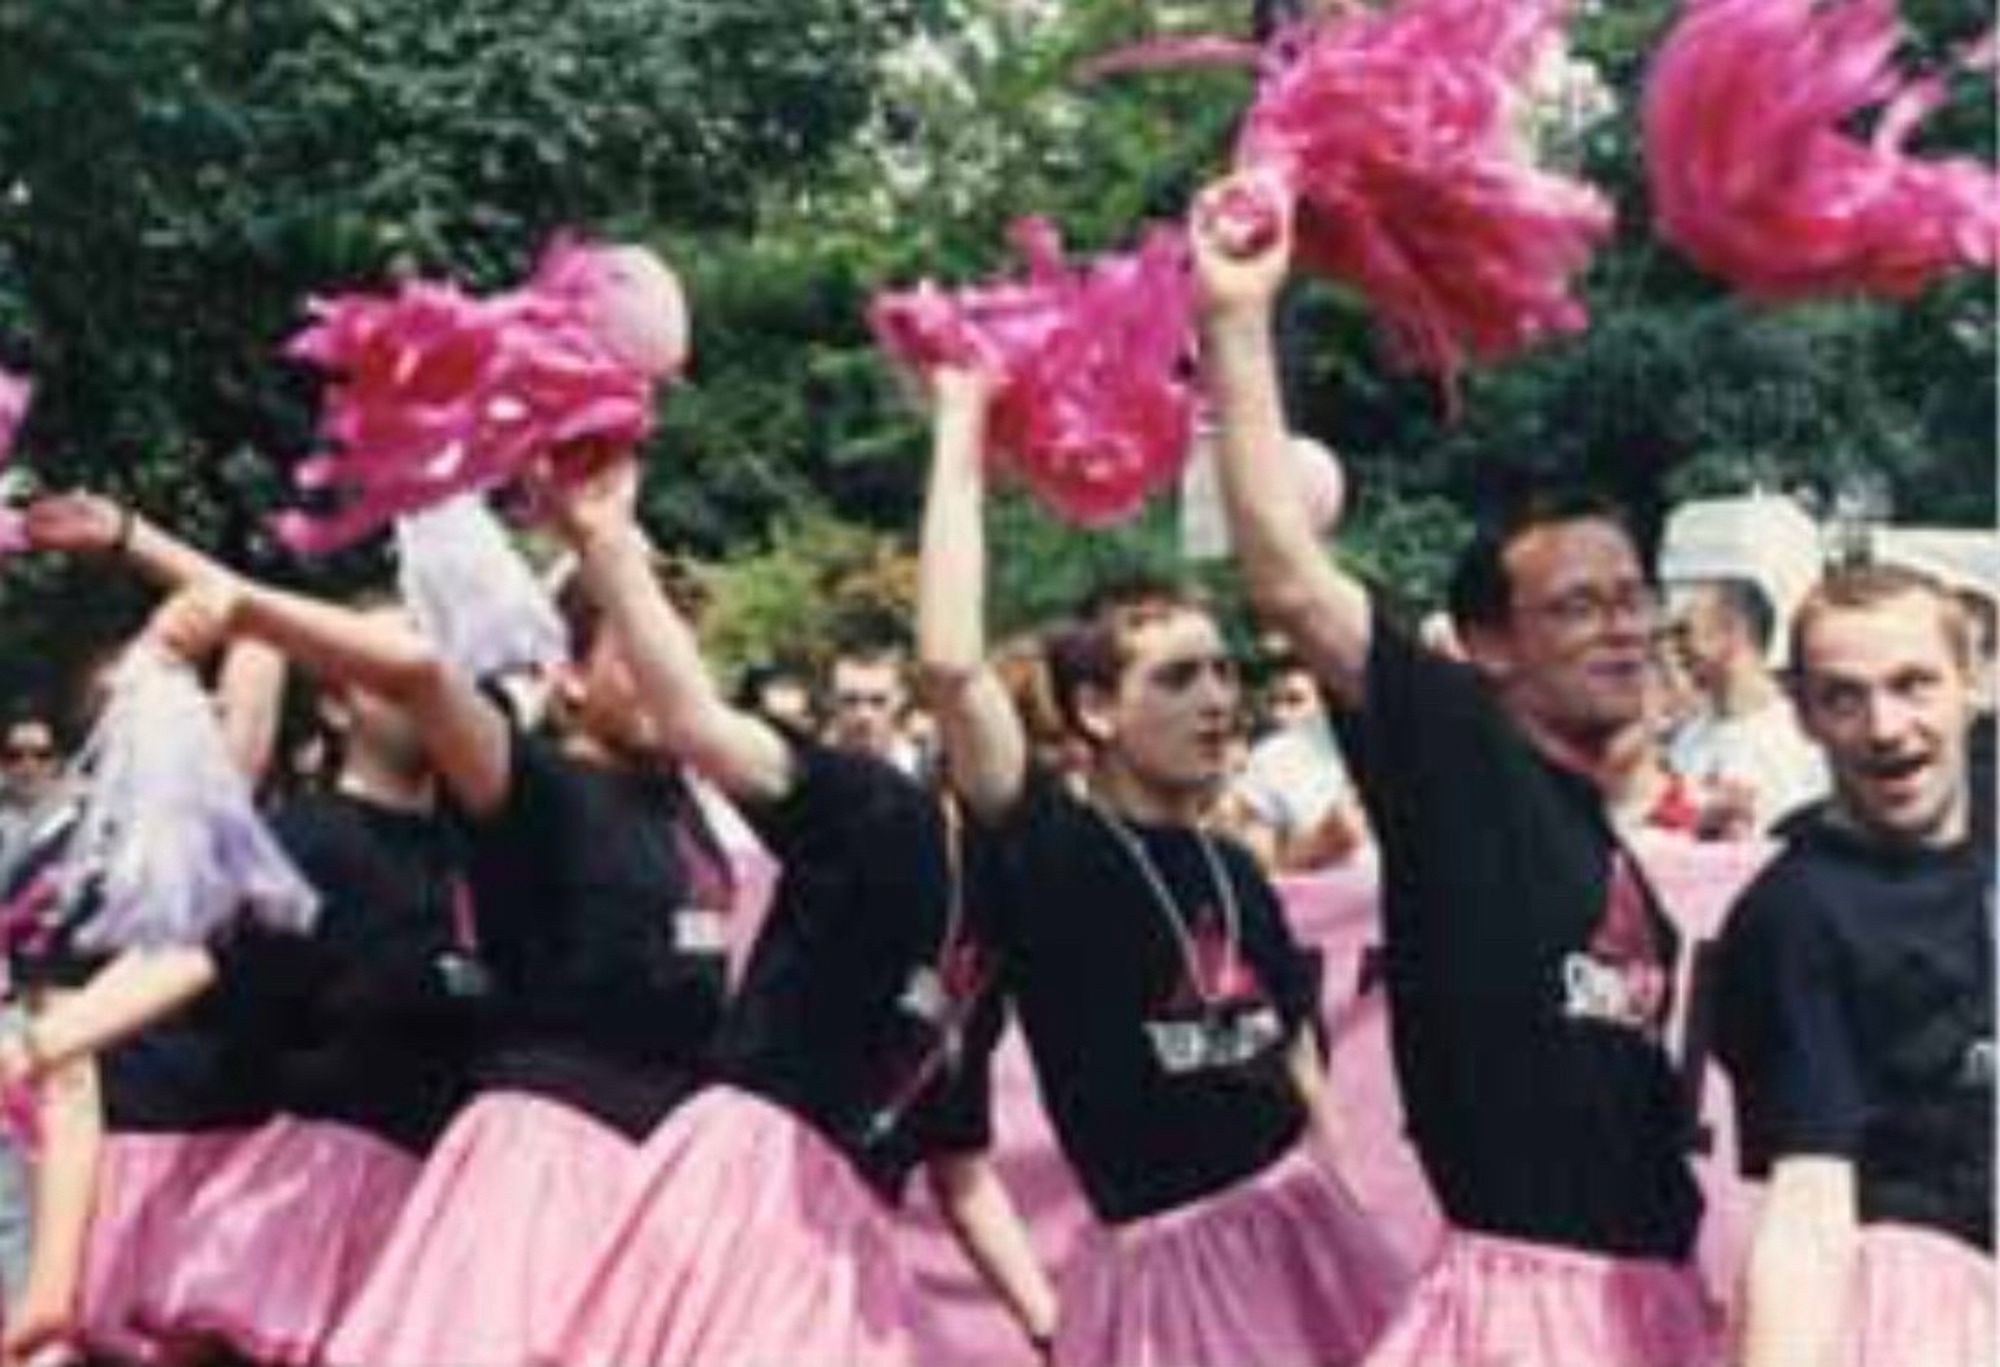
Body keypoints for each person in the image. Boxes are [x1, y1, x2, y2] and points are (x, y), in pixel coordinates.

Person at [23, 489, 735, 1367]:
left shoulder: (501, 831)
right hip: (352, 1203)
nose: (424, 659)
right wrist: (45, 1039)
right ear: (337, 701)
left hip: (471, 1194)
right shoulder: (337, 831)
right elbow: (190, 954)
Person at [1193, 172, 1715, 1366]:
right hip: (1522, 1317)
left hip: (1651, 1307)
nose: (1623, 627)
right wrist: (1234, 314)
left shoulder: (1601, 834)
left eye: (1633, 598)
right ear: (1485, 642)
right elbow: (1283, 574)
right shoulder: (1460, 761)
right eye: (1577, 605)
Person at [917, 365, 1407, 1367]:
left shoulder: (1234, 860)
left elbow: (1302, 1066)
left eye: (1225, 668)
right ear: (1096, 709)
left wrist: (1346, 1207)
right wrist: (960, 426)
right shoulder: (1048, 846)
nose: (1217, 696)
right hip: (1168, 1273)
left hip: (1302, 1233)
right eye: (1178, 676)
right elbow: (949, 666)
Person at [523, 452, 1054, 1367]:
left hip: (850, 1238)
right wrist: (608, 547)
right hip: (749, 1186)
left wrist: (1053, 1325)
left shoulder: (1003, 929)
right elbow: (695, 717)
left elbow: (961, 1170)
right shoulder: (874, 808)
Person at [1714, 564, 1993, 1367]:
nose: (1886, 725)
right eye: (1845, 696)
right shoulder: (1794, 914)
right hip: (1914, 1316)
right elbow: (1808, 1205)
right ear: (1800, 713)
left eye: (1915, 685)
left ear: (1970, 681)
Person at [1667, 579, 1828, 833]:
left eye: (1684, 632)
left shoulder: (1802, 735)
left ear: (1732, 632)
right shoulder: (1687, 738)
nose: (1674, 648)